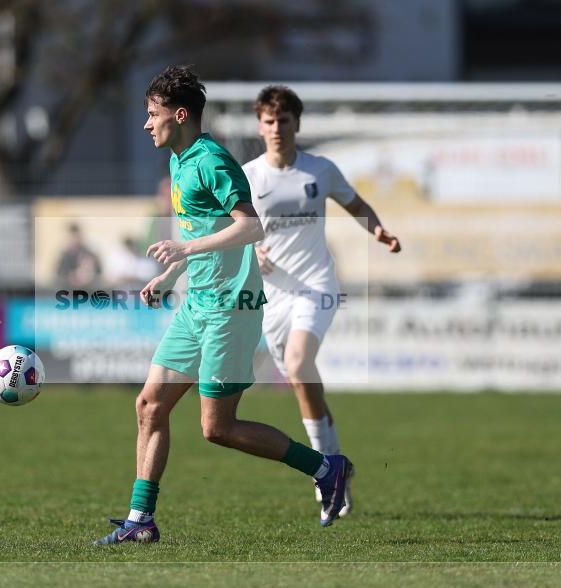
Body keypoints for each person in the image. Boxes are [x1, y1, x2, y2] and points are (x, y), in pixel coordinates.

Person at [92, 66, 353, 546]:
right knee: (150, 405)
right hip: (197, 304)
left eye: (153, 115)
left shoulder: (212, 160)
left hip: (232, 309)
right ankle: (140, 519)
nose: (146, 124)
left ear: (181, 114)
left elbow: (252, 228)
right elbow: (198, 233)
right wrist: (170, 272)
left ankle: (325, 467)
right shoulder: (178, 158)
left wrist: (185, 253)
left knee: (218, 428)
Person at [242, 85, 402, 520]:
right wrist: (250, 251)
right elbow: (230, 231)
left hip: (316, 284)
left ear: (297, 123)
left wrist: (379, 231)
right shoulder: (248, 176)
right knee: (300, 378)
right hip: (273, 297)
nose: (277, 129)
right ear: (260, 125)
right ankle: (333, 465)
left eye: (285, 121)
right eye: (269, 121)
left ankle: (323, 472)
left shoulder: (320, 170)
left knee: (298, 362)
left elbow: (355, 203)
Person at [55, 223, 102, 291]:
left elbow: (98, 275)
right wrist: (73, 276)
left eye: (76, 236)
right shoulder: (64, 257)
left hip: (89, 291)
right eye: (72, 237)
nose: (74, 239)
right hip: (69, 292)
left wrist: (88, 275)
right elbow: (59, 276)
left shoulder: (90, 255)